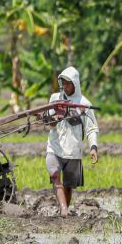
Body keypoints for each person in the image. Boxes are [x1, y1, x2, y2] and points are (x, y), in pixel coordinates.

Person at [46, 66, 99, 216]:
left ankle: (65, 211)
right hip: (54, 146)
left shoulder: (84, 104)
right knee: (54, 175)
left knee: (69, 185)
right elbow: (49, 124)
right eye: (63, 83)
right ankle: (64, 209)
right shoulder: (55, 99)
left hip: (73, 150)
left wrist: (93, 147)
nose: (65, 86)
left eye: (68, 84)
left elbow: (91, 129)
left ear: (75, 84)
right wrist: (55, 119)